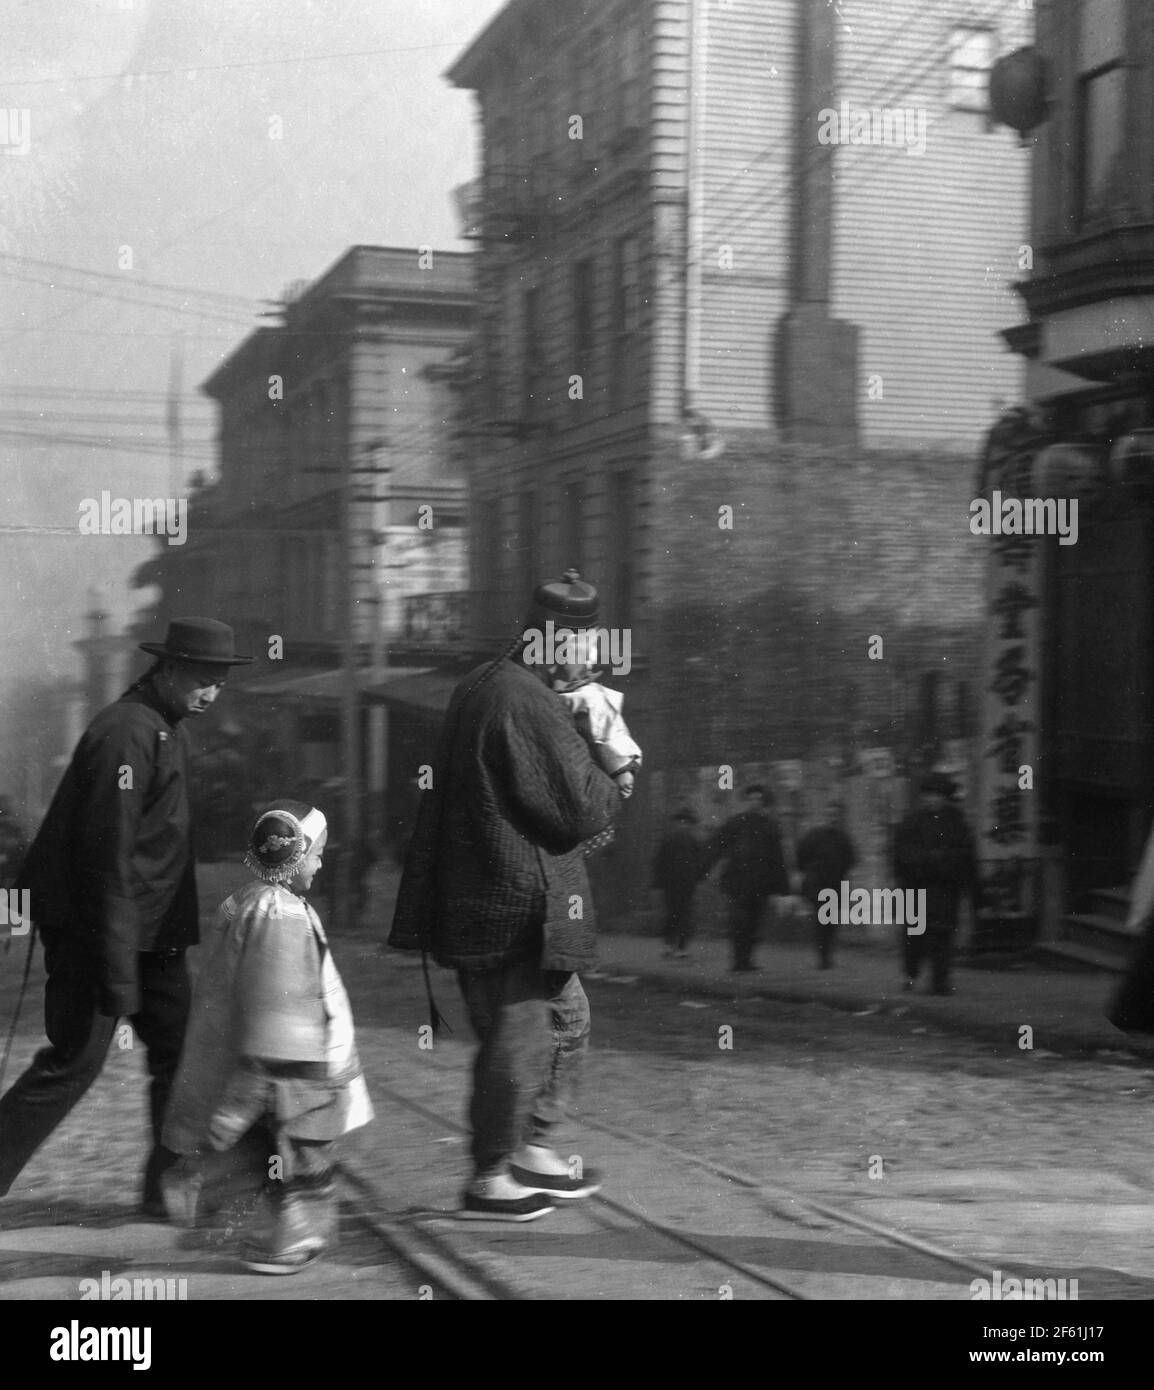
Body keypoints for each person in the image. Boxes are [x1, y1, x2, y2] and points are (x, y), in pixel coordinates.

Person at [389, 570, 622, 1222]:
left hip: (498, 897)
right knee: (520, 1037)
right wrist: (613, 764)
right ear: (558, 639)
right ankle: (491, 1173)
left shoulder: (491, 685)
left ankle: (529, 1145)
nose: (591, 657)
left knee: (566, 1021)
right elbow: (579, 808)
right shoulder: (523, 700)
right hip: (513, 904)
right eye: (585, 644)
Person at [0, 617, 254, 1217]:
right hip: (100, 932)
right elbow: (107, 857)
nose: (211, 693)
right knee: (73, 1063)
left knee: (184, 1055)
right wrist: (117, 973)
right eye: (201, 678)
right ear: (166, 669)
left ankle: (167, 1191)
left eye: (219, 681)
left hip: (153, 936)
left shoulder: (163, 727)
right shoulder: (126, 733)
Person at [161, 802, 372, 1274]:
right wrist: (269, 1076)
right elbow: (280, 1010)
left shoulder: (247, 901)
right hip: (291, 1072)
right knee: (295, 1157)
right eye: (316, 854)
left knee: (270, 1156)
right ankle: (279, 1242)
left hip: (271, 1065)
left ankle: (263, 1232)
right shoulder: (281, 915)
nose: (320, 864)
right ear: (295, 858)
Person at [892, 771, 978, 996]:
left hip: (945, 891)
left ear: (945, 798)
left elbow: (966, 857)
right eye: (928, 795)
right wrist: (927, 860)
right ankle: (910, 976)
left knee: (942, 936)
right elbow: (900, 853)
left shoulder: (957, 823)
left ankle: (940, 981)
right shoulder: (912, 821)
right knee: (914, 937)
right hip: (916, 889)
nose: (932, 800)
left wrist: (971, 890)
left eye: (937, 795)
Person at [704, 784, 790, 972]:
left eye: (758, 799)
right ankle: (738, 960)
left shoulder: (769, 826)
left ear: (762, 802)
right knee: (738, 921)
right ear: (747, 801)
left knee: (754, 923)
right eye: (751, 799)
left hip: (760, 882)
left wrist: (782, 887)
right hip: (738, 882)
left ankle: (748, 960)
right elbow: (717, 845)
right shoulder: (736, 823)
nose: (755, 803)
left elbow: (777, 857)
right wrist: (706, 867)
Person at [796, 800, 858, 969]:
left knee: (830, 922)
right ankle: (823, 957)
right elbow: (801, 855)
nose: (833, 818)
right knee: (823, 920)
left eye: (836, 815)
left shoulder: (843, 838)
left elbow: (851, 860)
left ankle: (826, 955)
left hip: (835, 884)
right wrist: (810, 872)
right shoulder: (815, 835)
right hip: (818, 884)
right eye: (831, 814)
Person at [652, 808, 707, 959]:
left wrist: (699, 878)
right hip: (671, 884)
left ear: (690, 825)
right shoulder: (668, 840)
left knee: (685, 915)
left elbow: (700, 862)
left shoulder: (694, 842)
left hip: (687, 884)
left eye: (686, 822)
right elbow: (659, 862)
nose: (683, 825)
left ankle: (681, 947)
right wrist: (659, 883)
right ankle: (669, 945)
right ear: (676, 824)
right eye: (680, 822)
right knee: (672, 914)